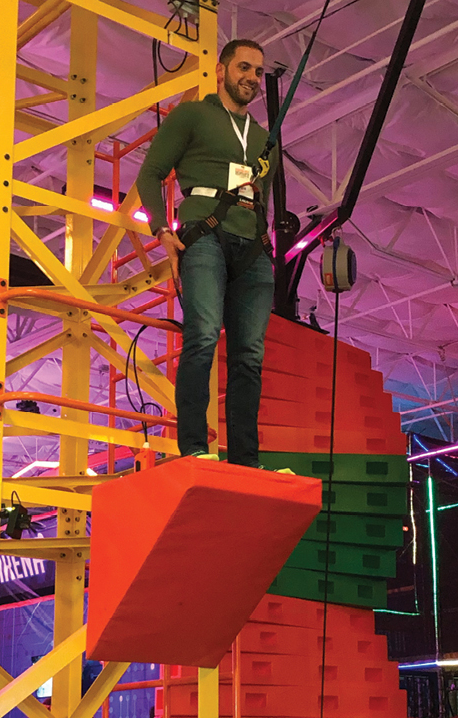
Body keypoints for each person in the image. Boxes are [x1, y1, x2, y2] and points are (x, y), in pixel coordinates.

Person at [136, 39, 280, 468]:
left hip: (254, 244)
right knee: (202, 336)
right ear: (221, 70)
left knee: (250, 356)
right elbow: (150, 174)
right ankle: (195, 448)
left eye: (258, 71)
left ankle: (245, 461)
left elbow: (264, 196)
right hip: (205, 233)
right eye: (243, 67)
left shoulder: (264, 140)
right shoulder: (193, 116)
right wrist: (162, 229)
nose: (252, 77)